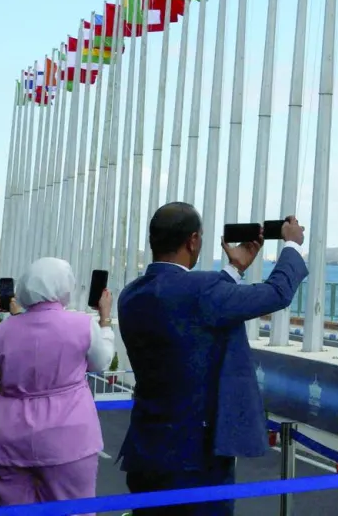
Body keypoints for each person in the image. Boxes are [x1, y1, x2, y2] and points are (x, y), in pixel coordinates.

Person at [118, 202, 306, 515]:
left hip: (146, 448)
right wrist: (292, 244)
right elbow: (277, 293)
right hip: (196, 457)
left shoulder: (131, 294)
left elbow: (190, 310)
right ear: (193, 240)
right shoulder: (202, 290)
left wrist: (234, 270)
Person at [0, 256, 115, 504]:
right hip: (69, 440)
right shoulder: (82, 325)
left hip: (6, 438)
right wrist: (104, 321)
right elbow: (101, 363)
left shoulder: (0, 332)